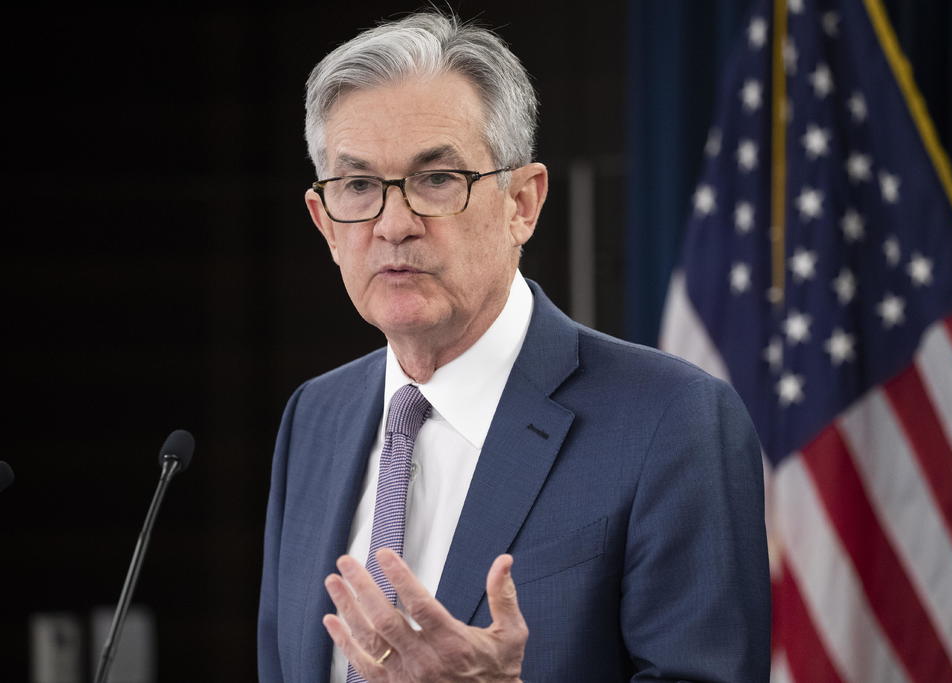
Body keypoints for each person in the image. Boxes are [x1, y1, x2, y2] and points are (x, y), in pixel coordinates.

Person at [258, 10, 770, 683]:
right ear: (325, 222)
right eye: (358, 186)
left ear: (521, 204)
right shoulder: (314, 417)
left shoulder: (672, 420)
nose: (394, 224)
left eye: (437, 179)